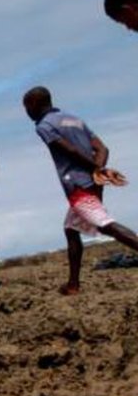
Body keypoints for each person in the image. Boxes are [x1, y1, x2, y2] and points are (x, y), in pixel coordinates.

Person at [22, 86, 138, 294]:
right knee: (71, 229)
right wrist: (99, 169)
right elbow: (102, 148)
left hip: (77, 184)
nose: (26, 112)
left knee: (104, 225)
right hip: (92, 181)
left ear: (34, 104)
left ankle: (74, 285)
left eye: (26, 107)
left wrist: (96, 169)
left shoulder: (44, 125)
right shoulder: (73, 119)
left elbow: (69, 150)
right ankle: (73, 285)